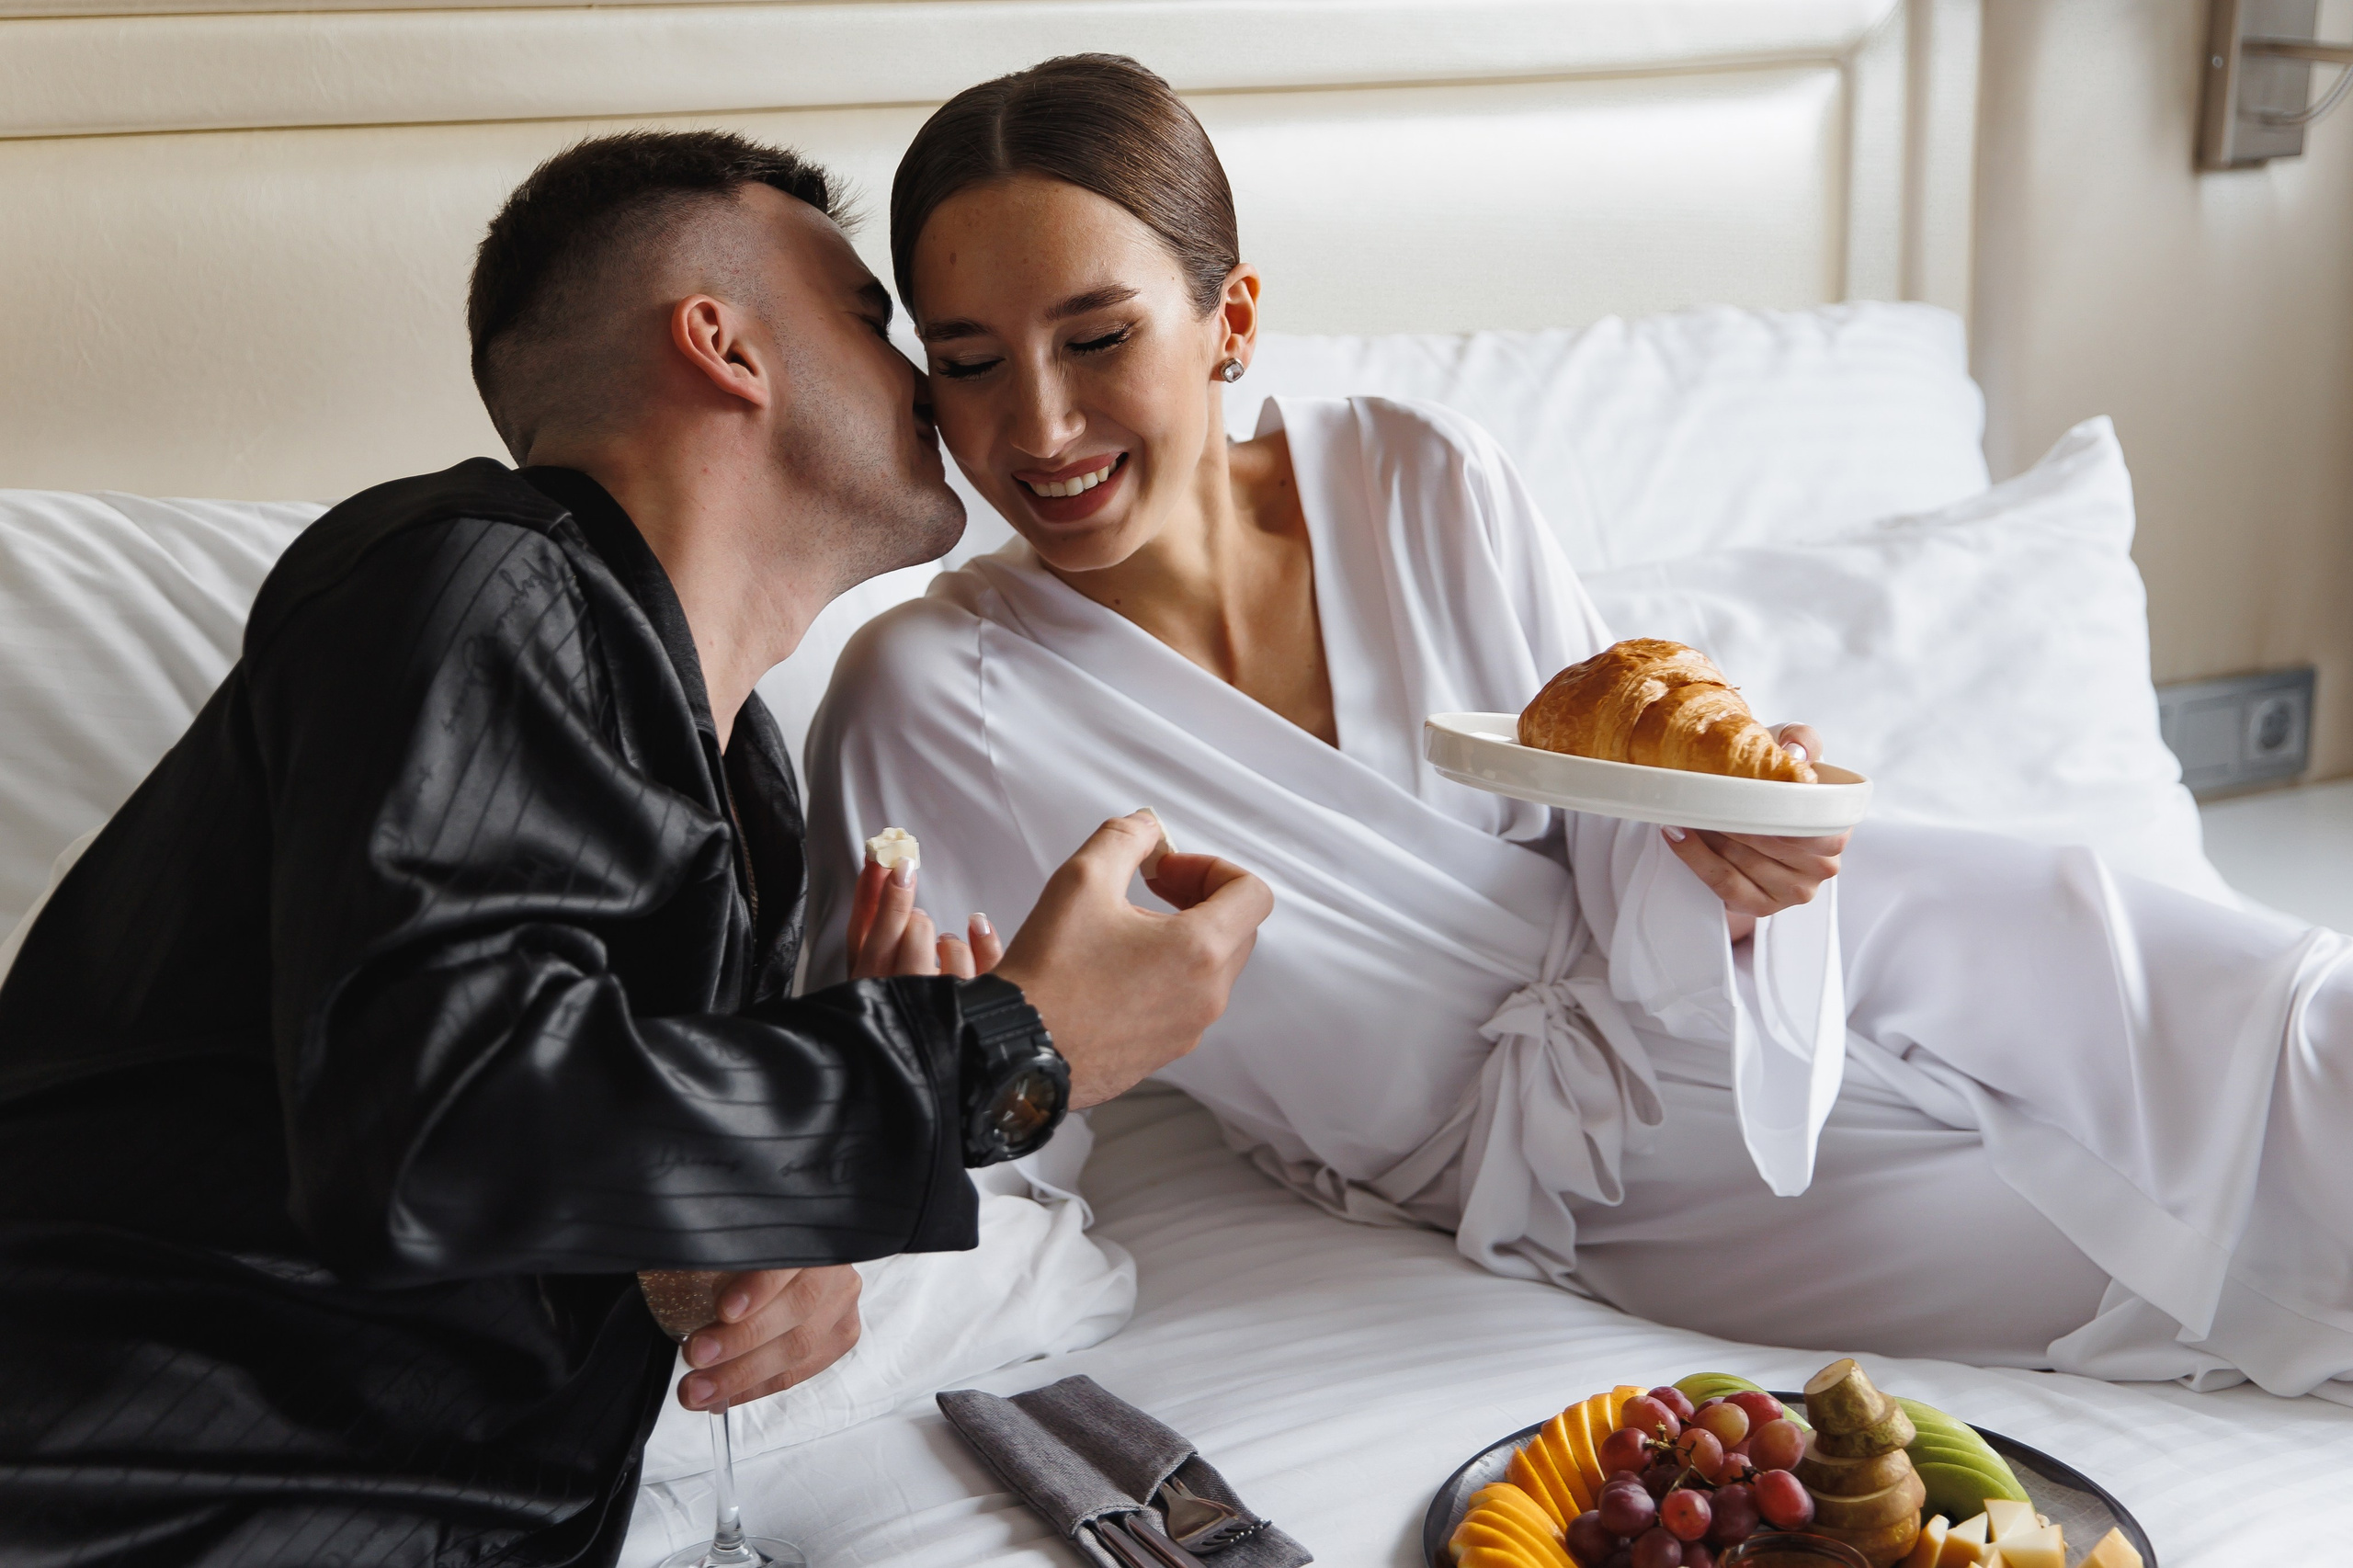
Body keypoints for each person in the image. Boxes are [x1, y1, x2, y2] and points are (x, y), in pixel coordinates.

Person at [805, 54, 2353, 1401]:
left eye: (1096, 337)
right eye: (969, 362)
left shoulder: (1416, 476)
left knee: (2224, 999)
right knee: (2134, 1259)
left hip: (1762, 935)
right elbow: (933, 1110)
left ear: (1229, 320)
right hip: (1608, 1173)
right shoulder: (931, 699)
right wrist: (904, 1142)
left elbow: (1604, 800)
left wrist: (1726, 847)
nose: (1043, 428)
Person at [0, 129, 1271, 1567]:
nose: (931, 381)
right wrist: (1002, 1048)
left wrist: (785, 1228)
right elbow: (436, 1131)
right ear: (724, 346)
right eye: (869, 318)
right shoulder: (476, 577)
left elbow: (558, 1191)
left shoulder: (749, 793)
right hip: (117, 1496)